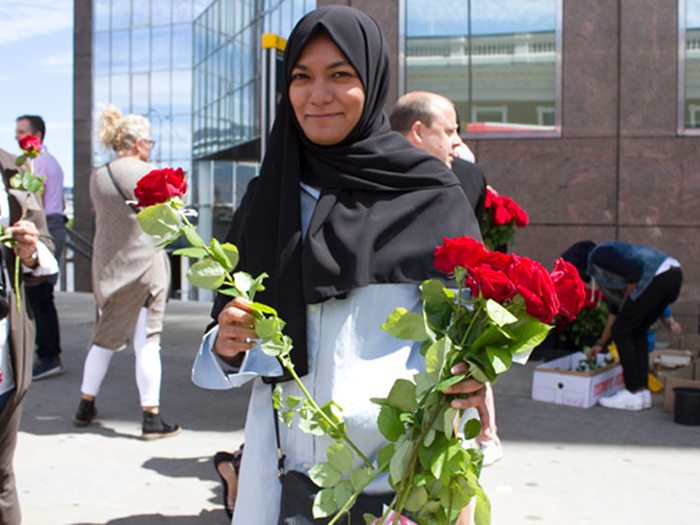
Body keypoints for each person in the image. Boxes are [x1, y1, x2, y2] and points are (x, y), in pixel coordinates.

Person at [192, 7, 486, 524]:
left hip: (400, 478)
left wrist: (475, 374)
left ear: (371, 82)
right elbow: (240, 341)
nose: (318, 94)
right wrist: (227, 345)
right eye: (301, 77)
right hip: (285, 471)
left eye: (340, 75)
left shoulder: (431, 193)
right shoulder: (271, 195)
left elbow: (467, 336)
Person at [389, 91, 502, 466]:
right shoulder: (373, 181)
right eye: (450, 130)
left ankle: (483, 434)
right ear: (417, 131)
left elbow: (475, 246)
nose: (458, 141)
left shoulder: (468, 177)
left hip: (452, 307)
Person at [74, 106, 180, 440]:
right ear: (136, 143)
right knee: (148, 341)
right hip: (144, 268)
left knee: (104, 338)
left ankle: (85, 405)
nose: (150, 146)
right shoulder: (147, 173)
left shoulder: (98, 174)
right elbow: (167, 225)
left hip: (107, 267)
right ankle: (151, 417)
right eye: (148, 141)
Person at [0, 147, 58, 525]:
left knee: (2, 474)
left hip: (5, 348)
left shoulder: (11, 169)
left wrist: (31, 250)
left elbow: (46, 248)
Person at [564, 240, 683, 411]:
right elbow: (615, 312)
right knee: (637, 331)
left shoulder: (598, 255)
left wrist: (627, 302)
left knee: (622, 331)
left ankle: (631, 391)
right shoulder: (605, 272)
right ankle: (642, 393)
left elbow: (633, 273)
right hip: (672, 277)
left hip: (659, 276)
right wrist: (600, 343)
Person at [14, 115, 66, 380]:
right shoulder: (52, 161)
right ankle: (47, 353)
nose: (16, 137)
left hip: (43, 227)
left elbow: (34, 203)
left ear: (37, 136)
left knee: (39, 294)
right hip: (56, 222)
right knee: (43, 294)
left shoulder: (37, 164)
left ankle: (48, 355)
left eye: (22, 132)